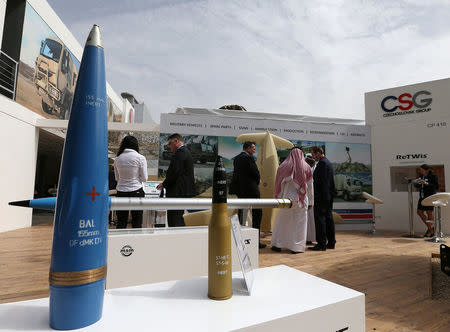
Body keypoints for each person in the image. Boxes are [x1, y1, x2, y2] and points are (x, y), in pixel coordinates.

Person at [271, 148, 313, 253]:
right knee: (299, 224)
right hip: (301, 200)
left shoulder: (283, 166)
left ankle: (278, 244)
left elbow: (278, 184)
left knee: (282, 222)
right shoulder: (306, 167)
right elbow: (310, 186)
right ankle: (297, 247)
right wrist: (311, 201)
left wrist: (279, 198)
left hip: (286, 199)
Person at [229, 141, 266, 248]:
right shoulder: (248, 158)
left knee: (242, 214)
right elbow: (254, 172)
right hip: (251, 190)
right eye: (253, 148)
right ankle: (256, 241)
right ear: (248, 148)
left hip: (241, 191)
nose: (254, 150)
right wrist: (258, 178)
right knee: (257, 214)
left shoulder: (236, 158)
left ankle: (239, 238)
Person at [156, 133, 196, 227]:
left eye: (170, 143)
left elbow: (175, 172)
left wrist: (164, 184)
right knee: (178, 217)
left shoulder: (180, 152)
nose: (169, 146)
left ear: (176, 141)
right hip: (181, 191)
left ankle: (175, 238)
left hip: (178, 192)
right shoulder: (184, 151)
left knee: (174, 218)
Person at [114, 135, 148, 228]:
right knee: (137, 221)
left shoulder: (117, 159)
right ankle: (135, 242)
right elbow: (145, 178)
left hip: (121, 192)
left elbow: (117, 178)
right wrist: (136, 179)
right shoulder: (140, 158)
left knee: (121, 221)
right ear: (136, 145)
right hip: (136, 191)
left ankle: (120, 242)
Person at [308, 145, 336, 251]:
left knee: (321, 221)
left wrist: (318, 196)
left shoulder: (323, 163)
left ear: (318, 153)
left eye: (313, 154)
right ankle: (331, 242)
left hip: (322, 197)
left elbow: (322, 182)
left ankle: (321, 244)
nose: (312, 156)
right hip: (327, 197)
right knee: (329, 220)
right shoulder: (327, 162)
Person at [415, 164, 439, 237]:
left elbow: (436, 186)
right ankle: (431, 228)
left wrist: (426, 183)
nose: (420, 171)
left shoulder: (433, 176)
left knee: (429, 212)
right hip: (422, 196)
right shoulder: (421, 176)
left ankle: (430, 231)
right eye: (420, 170)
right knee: (419, 212)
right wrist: (417, 183)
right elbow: (418, 186)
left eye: (421, 170)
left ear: (426, 170)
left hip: (430, 196)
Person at [304, 155, 316, 244]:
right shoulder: (310, 170)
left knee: (308, 220)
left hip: (307, 199)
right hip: (309, 199)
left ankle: (308, 238)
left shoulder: (306, 170)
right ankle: (309, 238)